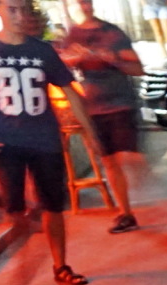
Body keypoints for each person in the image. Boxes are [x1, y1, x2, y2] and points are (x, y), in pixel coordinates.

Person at [0, 0, 100, 284]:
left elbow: (69, 91)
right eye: (11, 9)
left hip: (44, 139)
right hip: (5, 142)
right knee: (13, 210)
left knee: (53, 206)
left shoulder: (41, 51)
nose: (19, 16)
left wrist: (90, 132)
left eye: (23, 9)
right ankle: (25, 224)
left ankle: (60, 265)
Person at [61, 0, 146, 234]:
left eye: (86, 1)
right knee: (109, 161)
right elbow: (62, 65)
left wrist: (111, 58)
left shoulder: (111, 33)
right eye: (79, 3)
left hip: (120, 105)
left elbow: (138, 68)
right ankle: (126, 213)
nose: (84, 6)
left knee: (128, 158)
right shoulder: (74, 34)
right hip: (95, 107)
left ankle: (142, 181)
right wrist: (73, 59)